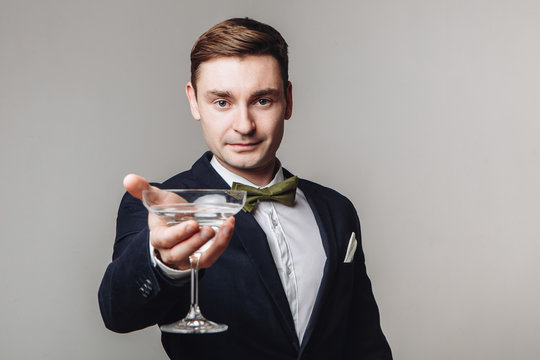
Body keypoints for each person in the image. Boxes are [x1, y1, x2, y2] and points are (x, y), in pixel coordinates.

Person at [98, 17, 392, 360]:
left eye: (262, 100)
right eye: (222, 102)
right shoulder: (165, 207)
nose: (244, 125)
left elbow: (365, 341)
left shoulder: (337, 210)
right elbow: (118, 312)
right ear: (194, 102)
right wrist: (162, 260)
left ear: (288, 100)